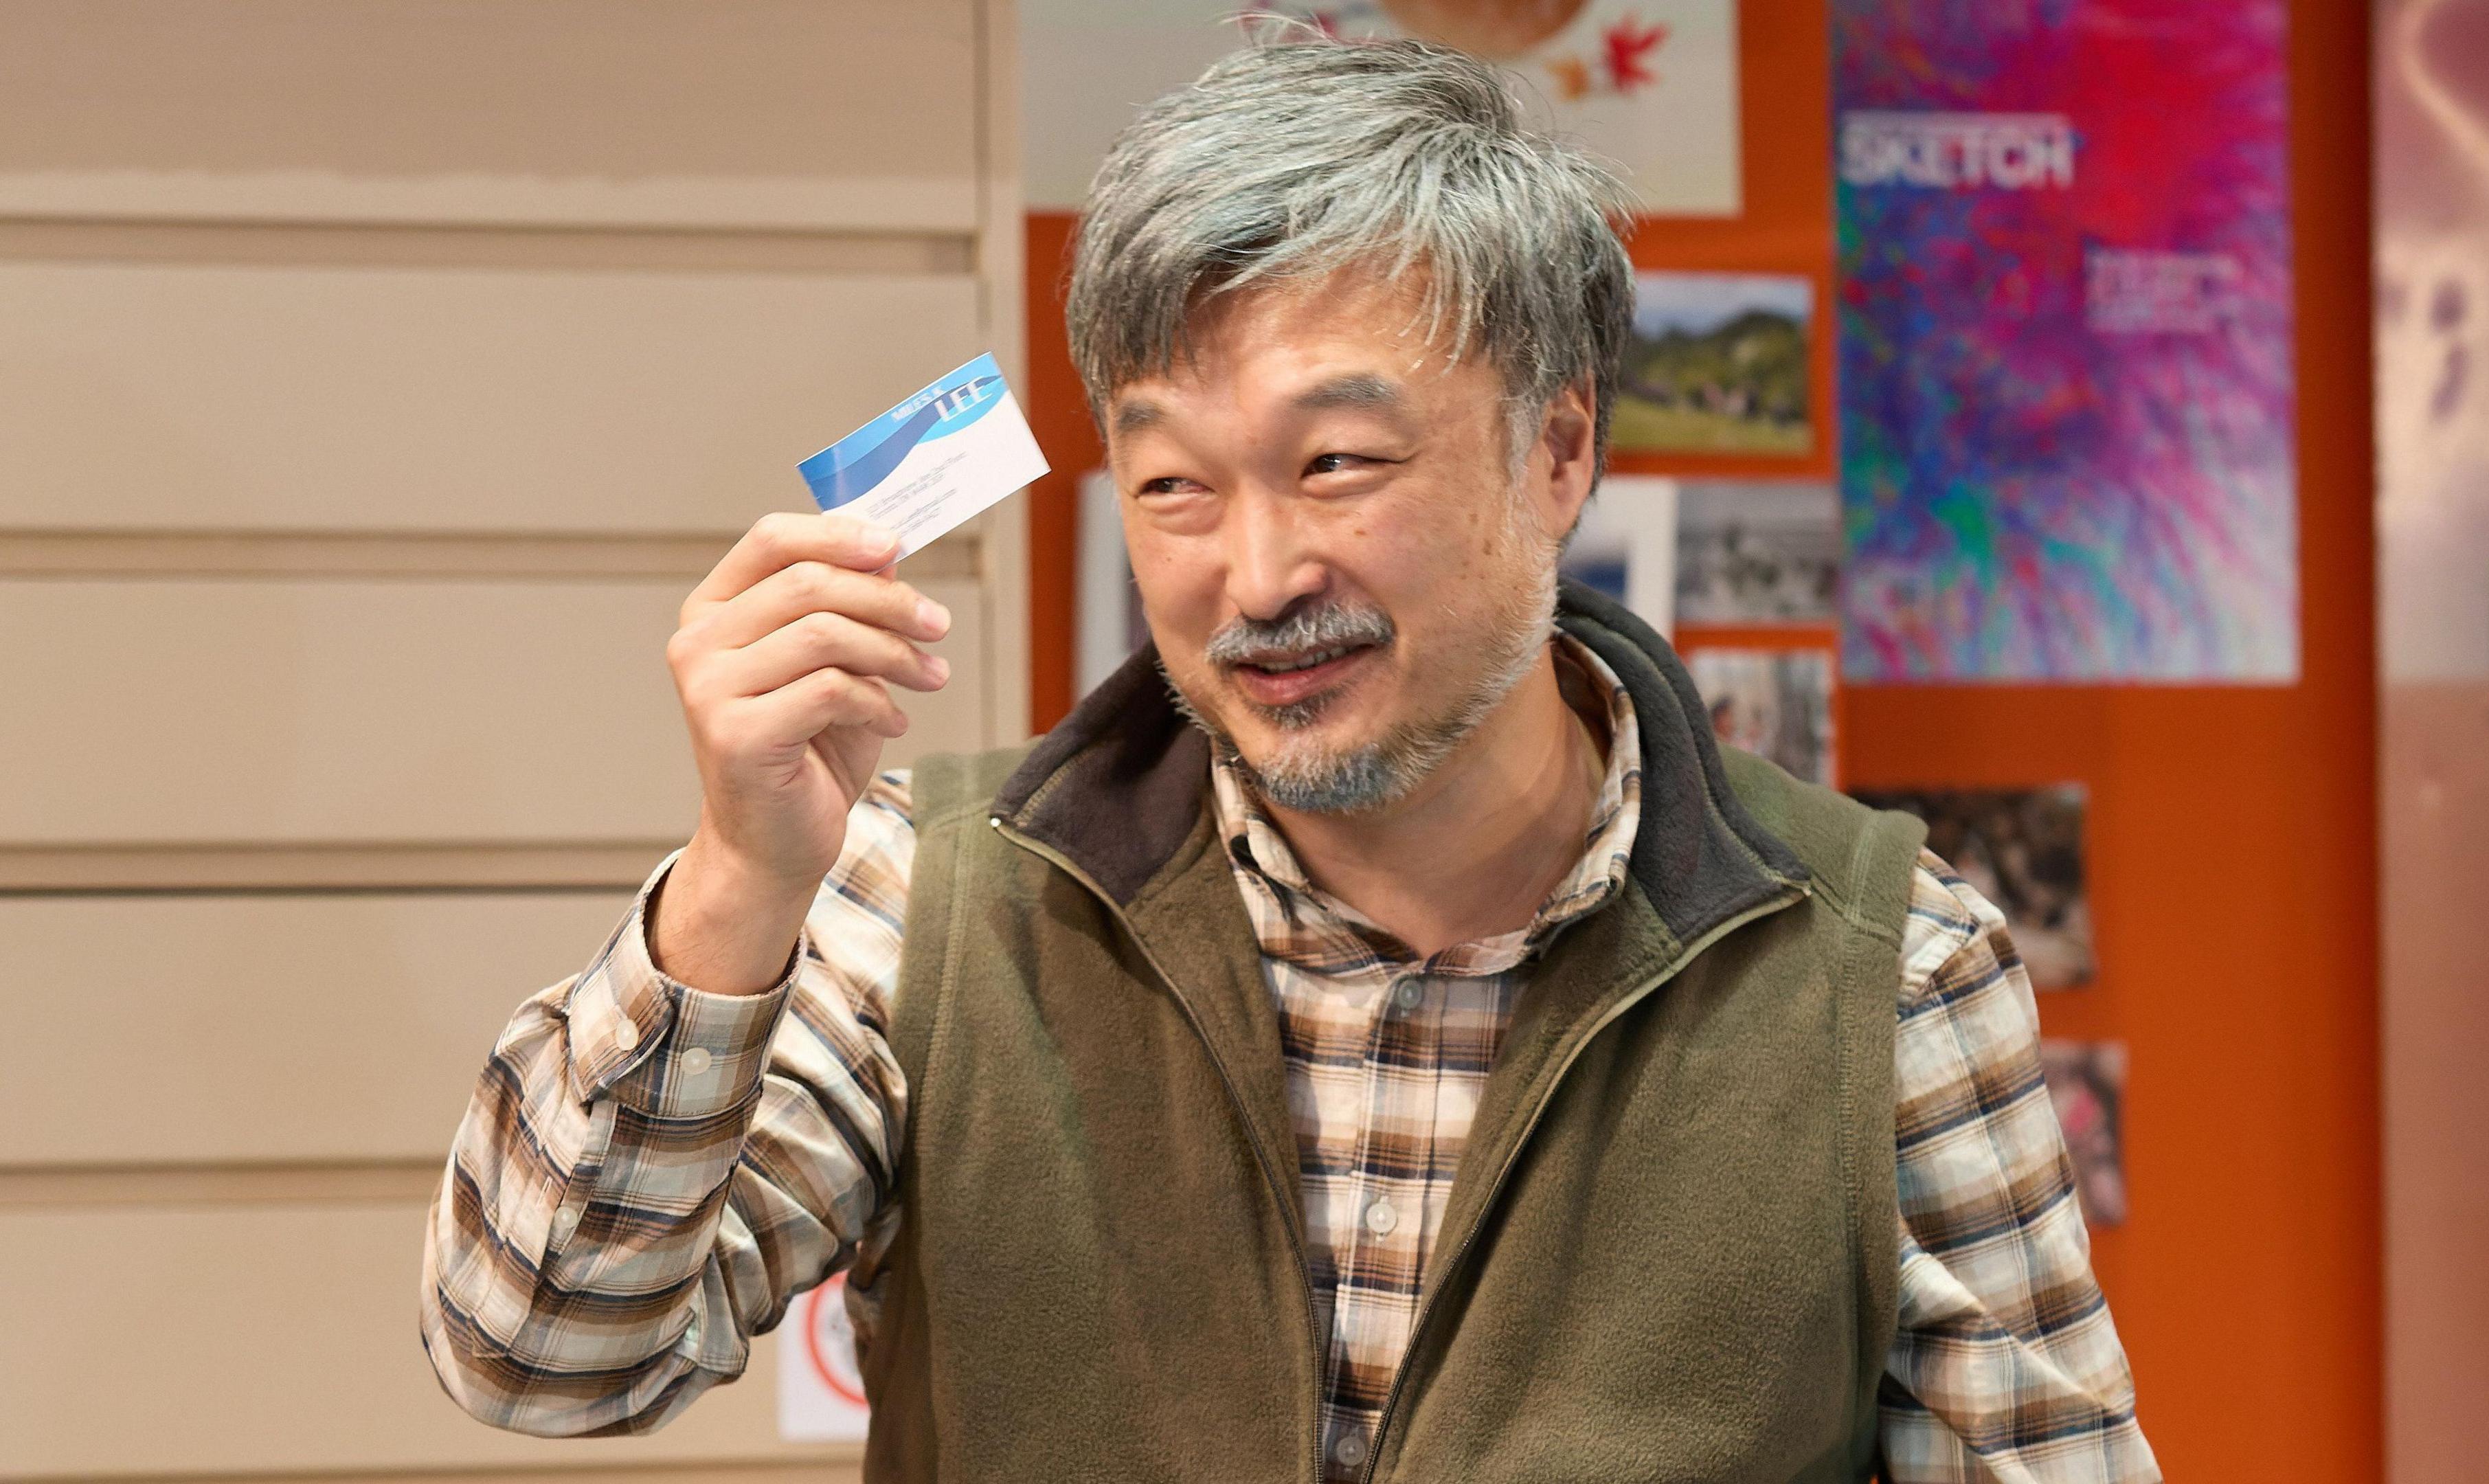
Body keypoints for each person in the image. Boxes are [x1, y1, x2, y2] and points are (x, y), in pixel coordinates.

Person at [423, 34, 2161, 1484]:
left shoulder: (1885, 977)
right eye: (1174, 485)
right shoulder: (931, 902)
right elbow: (541, 1357)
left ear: (1557, 453)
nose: (1252, 580)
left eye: (1336, 464)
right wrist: (737, 884)